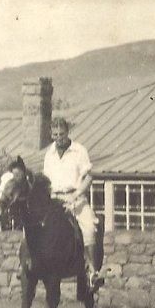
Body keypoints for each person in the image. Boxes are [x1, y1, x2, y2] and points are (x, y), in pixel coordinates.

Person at [43, 117, 100, 289]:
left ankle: (92, 270)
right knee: (34, 224)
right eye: (55, 134)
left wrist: (76, 194)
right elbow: (46, 180)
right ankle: (27, 263)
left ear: (67, 132)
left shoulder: (79, 150)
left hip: (76, 199)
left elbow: (89, 177)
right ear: (51, 134)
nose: (58, 138)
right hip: (54, 200)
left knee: (89, 228)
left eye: (61, 134)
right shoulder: (49, 153)